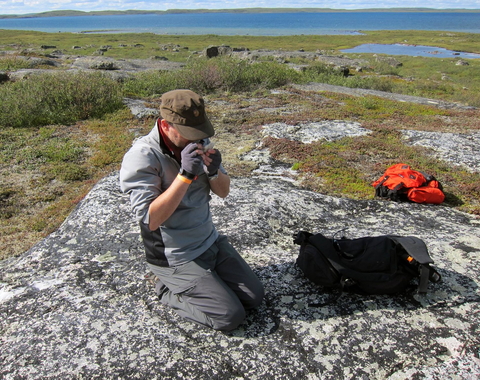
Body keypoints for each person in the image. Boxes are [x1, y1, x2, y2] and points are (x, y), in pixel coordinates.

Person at [120, 89, 264, 331]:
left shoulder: (200, 142)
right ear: (165, 125)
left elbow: (223, 192)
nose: (196, 140)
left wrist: (214, 172)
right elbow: (150, 219)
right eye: (188, 134)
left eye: (199, 133)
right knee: (229, 317)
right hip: (176, 255)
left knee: (254, 297)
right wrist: (185, 176)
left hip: (210, 241)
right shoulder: (143, 156)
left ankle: (203, 282)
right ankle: (165, 287)